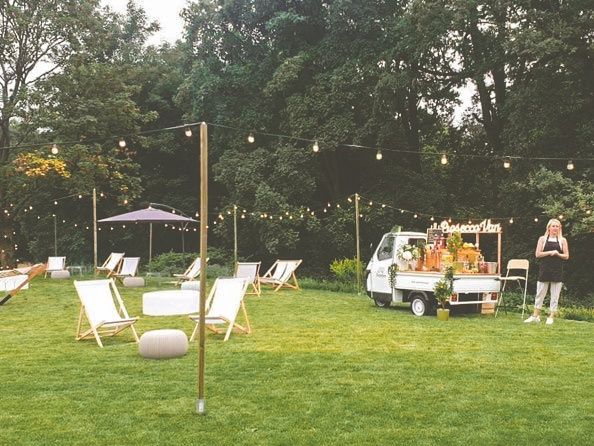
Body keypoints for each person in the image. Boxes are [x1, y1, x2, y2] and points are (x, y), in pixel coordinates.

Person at [524, 218, 569, 325]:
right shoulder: (542, 239)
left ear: (560, 228)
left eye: (557, 226)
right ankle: (535, 316)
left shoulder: (562, 240)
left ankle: (551, 316)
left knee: (555, 295)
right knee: (540, 293)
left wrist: (558, 254)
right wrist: (549, 252)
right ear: (548, 228)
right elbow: (538, 254)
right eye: (553, 226)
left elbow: (566, 256)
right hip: (545, 270)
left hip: (557, 270)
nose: (555, 228)